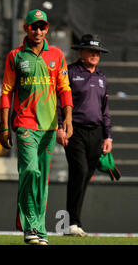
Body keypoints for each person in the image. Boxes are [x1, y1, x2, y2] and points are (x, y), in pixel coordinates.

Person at [0, 9, 73, 245]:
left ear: (47, 29)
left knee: (41, 180)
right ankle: (30, 224)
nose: (38, 31)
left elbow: (64, 88)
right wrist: (3, 126)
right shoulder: (15, 56)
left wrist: (67, 119)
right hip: (25, 124)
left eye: (42, 27)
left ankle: (39, 229)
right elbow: (7, 92)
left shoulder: (57, 55)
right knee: (30, 171)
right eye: (34, 27)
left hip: (49, 127)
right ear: (26, 28)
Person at [57, 34, 112, 237]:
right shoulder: (70, 72)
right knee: (79, 171)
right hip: (75, 130)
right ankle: (71, 223)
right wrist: (60, 127)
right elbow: (59, 101)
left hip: (96, 132)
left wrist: (108, 136)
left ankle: (73, 223)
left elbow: (105, 109)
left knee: (85, 176)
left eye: (98, 52)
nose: (95, 55)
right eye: (91, 51)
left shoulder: (101, 77)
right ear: (81, 52)